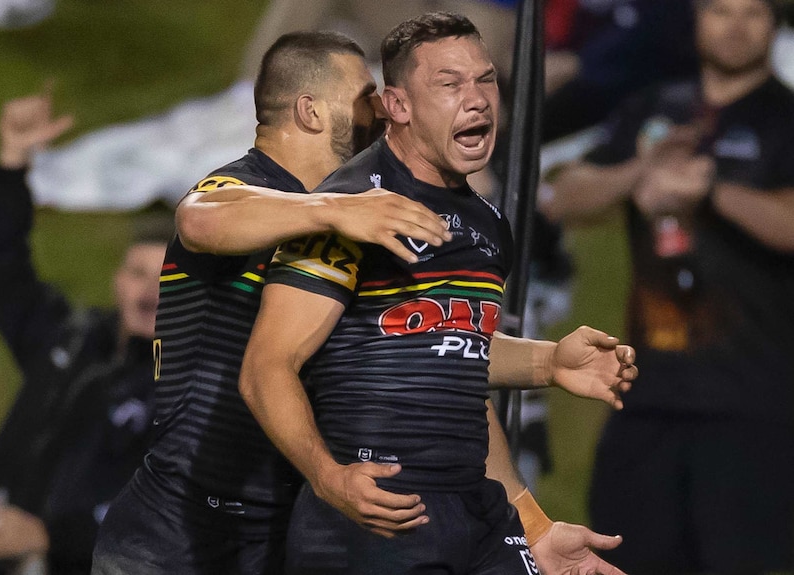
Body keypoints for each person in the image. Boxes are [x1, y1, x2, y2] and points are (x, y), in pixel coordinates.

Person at [238, 12, 637, 574]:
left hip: (473, 514)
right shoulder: (351, 211)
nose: (476, 101)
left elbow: (455, 362)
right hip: (376, 520)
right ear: (398, 106)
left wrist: (549, 362)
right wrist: (328, 478)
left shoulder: (485, 223)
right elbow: (266, 367)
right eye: (450, 85)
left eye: (486, 80)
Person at [91, 31, 455, 575]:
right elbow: (199, 215)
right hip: (176, 536)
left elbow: (421, 338)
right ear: (310, 112)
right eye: (363, 96)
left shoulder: (335, 225)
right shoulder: (243, 187)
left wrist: (546, 362)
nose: (380, 110)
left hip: (271, 535)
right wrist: (333, 208)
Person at [542, 0, 794, 572]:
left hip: (754, 404)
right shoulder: (654, 109)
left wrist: (710, 191)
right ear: (696, 20)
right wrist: (641, 174)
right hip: (646, 398)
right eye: (721, 11)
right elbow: (564, 196)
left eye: (752, 13)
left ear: (774, 25)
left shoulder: (785, 118)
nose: (735, 26)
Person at [0, 92, 170, 574]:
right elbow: (1, 267)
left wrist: (49, 537)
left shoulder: (188, 388)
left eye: (168, 281)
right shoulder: (70, 337)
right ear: (117, 280)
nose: (148, 293)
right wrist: (13, 162)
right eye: (138, 274)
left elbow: (167, 517)